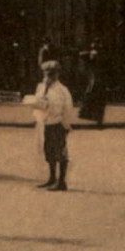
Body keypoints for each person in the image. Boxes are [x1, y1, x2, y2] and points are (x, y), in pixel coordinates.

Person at [30, 59, 77, 191]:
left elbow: (68, 109)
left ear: (57, 74)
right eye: (46, 73)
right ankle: (52, 178)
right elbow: (37, 104)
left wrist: (65, 125)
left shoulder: (62, 90)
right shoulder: (41, 87)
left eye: (51, 73)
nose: (48, 76)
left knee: (60, 152)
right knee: (48, 152)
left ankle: (62, 182)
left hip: (58, 124)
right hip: (45, 123)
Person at [78, 43, 107, 128]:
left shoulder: (92, 58)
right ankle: (98, 121)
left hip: (95, 83)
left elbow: (82, 55)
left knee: (94, 102)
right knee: (98, 103)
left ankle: (98, 121)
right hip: (97, 82)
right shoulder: (98, 58)